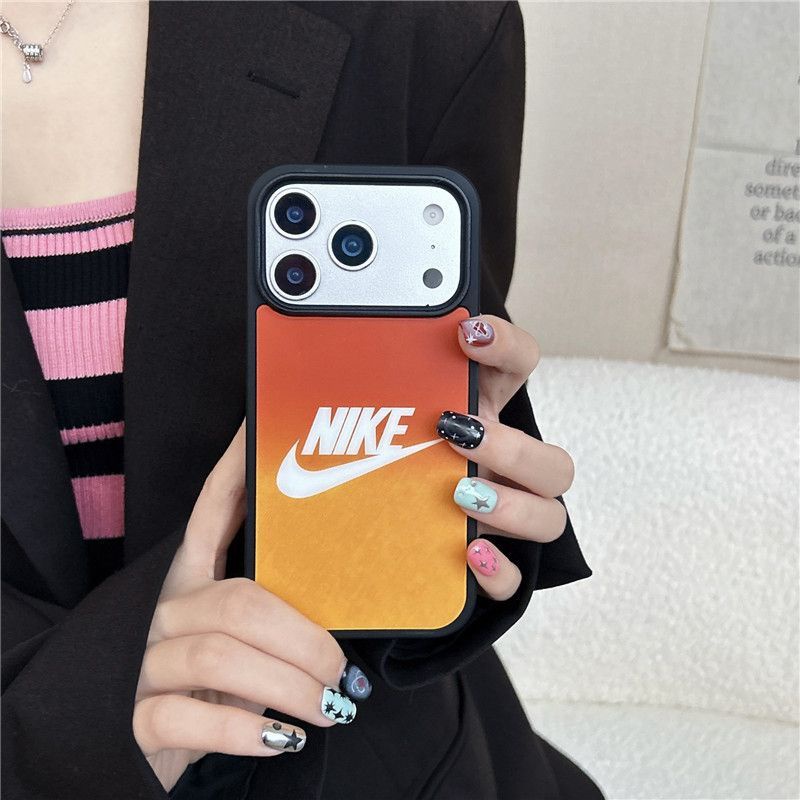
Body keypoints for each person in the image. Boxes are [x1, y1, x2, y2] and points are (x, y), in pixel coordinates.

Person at [1, 2, 602, 797]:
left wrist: (454, 492)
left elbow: (458, 403)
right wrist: (81, 700)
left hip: (357, 761)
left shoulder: (423, 21)